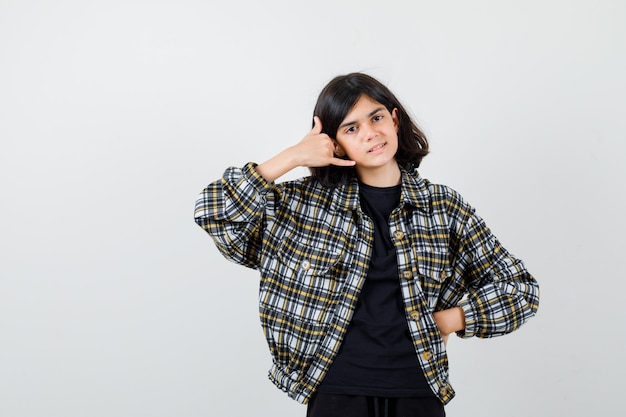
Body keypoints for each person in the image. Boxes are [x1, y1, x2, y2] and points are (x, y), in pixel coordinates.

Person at [194, 73, 539, 417]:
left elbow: (520, 289)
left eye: (376, 118)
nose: (370, 133)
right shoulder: (299, 206)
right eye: (351, 128)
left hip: (417, 391)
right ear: (335, 143)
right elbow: (214, 213)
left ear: (395, 119)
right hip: (335, 392)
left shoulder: (443, 207)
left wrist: (450, 320)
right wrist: (291, 157)